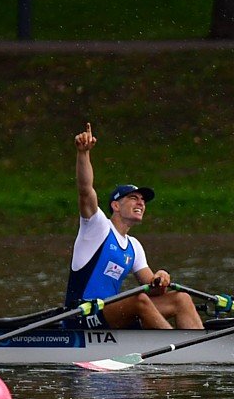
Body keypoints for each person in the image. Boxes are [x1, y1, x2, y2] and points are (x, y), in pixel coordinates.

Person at [64, 123, 203, 330]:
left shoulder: (134, 246)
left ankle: (197, 349)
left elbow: (153, 289)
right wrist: (83, 153)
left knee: (181, 298)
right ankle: (175, 354)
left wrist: (161, 277)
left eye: (143, 201)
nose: (141, 203)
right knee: (139, 300)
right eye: (133, 198)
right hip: (81, 316)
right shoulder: (97, 227)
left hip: (110, 315)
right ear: (115, 205)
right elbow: (85, 190)